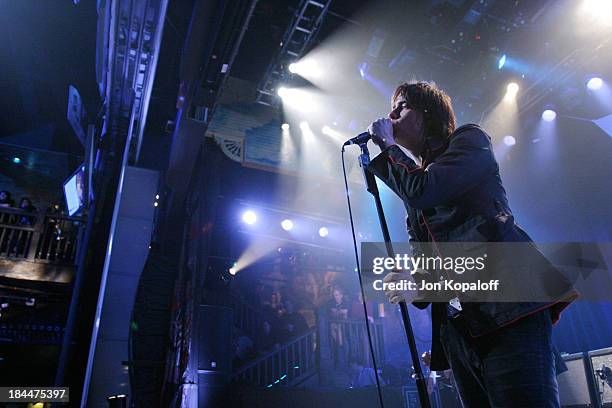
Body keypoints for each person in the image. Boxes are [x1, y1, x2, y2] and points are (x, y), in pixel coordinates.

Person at [366, 81, 578, 407]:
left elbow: (426, 190)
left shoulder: (468, 140)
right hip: (463, 330)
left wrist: (386, 147)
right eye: (391, 108)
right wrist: (416, 284)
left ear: (427, 113)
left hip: (508, 312)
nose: (391, 114)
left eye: (401, 106)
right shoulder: (414, 179)